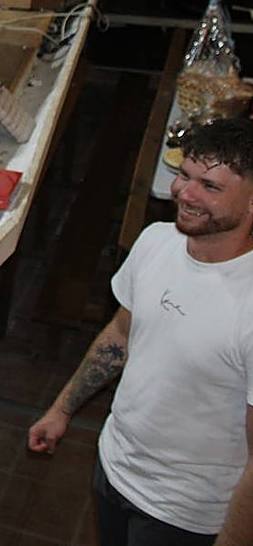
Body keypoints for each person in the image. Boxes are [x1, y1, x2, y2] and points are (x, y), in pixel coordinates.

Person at [27, 117, 253, 545]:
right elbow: (120, 334)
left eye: (210, 186)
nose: (184, 193)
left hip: (184, 513)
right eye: (184, 175)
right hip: (114, 468)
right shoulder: (155, 241)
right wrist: (61, 410)